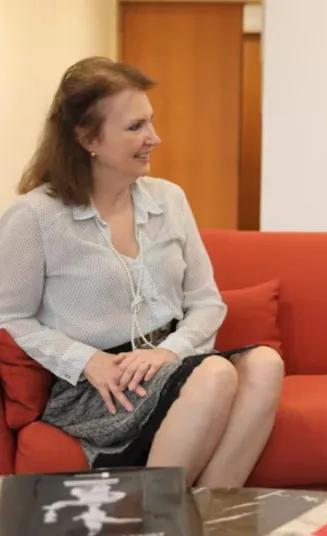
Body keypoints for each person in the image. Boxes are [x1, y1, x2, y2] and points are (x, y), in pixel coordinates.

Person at [0, 56, 285, 488]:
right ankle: (157, 516)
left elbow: (206, 302)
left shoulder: (169, 200)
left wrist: (170, 351)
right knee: (215, 372)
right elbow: (9, 316)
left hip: (168, 361)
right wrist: (87, 360)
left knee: (265, 363)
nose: (154, 137)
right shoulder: (34, 216)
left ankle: (211, 510)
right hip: (99, 387)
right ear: (87, 138)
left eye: (150, 121)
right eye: (135, 127)